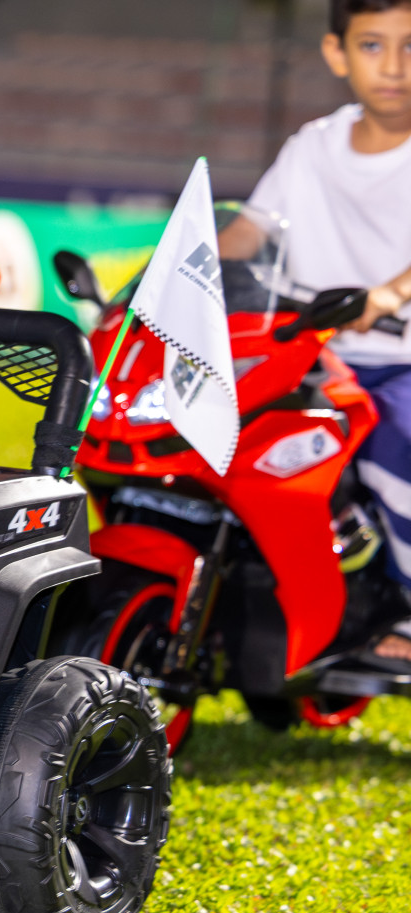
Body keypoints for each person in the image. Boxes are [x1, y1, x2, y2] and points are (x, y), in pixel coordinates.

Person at [218, 0, 411, 665]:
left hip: (395, 357)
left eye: (409, 47)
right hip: (311, 353)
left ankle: (407, 607)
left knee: (399, 442)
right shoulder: (314, 146)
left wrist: (390, 291)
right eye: (372, 46)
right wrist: (197, 271)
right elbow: (251, 230)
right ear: (338, 54)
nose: (393, 66)